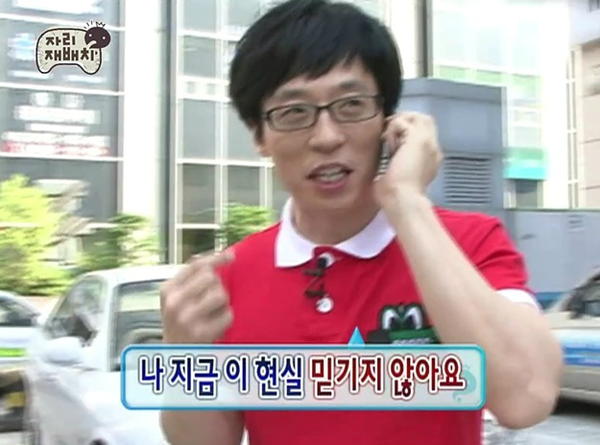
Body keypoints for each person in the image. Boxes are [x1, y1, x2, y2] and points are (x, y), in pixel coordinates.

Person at [159, 1, 564, 444]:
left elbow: (525, 398)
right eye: (294, 112)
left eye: (351, 105)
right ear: (259, 135)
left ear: (389, 120)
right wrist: (184, 356)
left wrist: (406, 200)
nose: (327, 137)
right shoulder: (228, 279)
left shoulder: (467, 244)